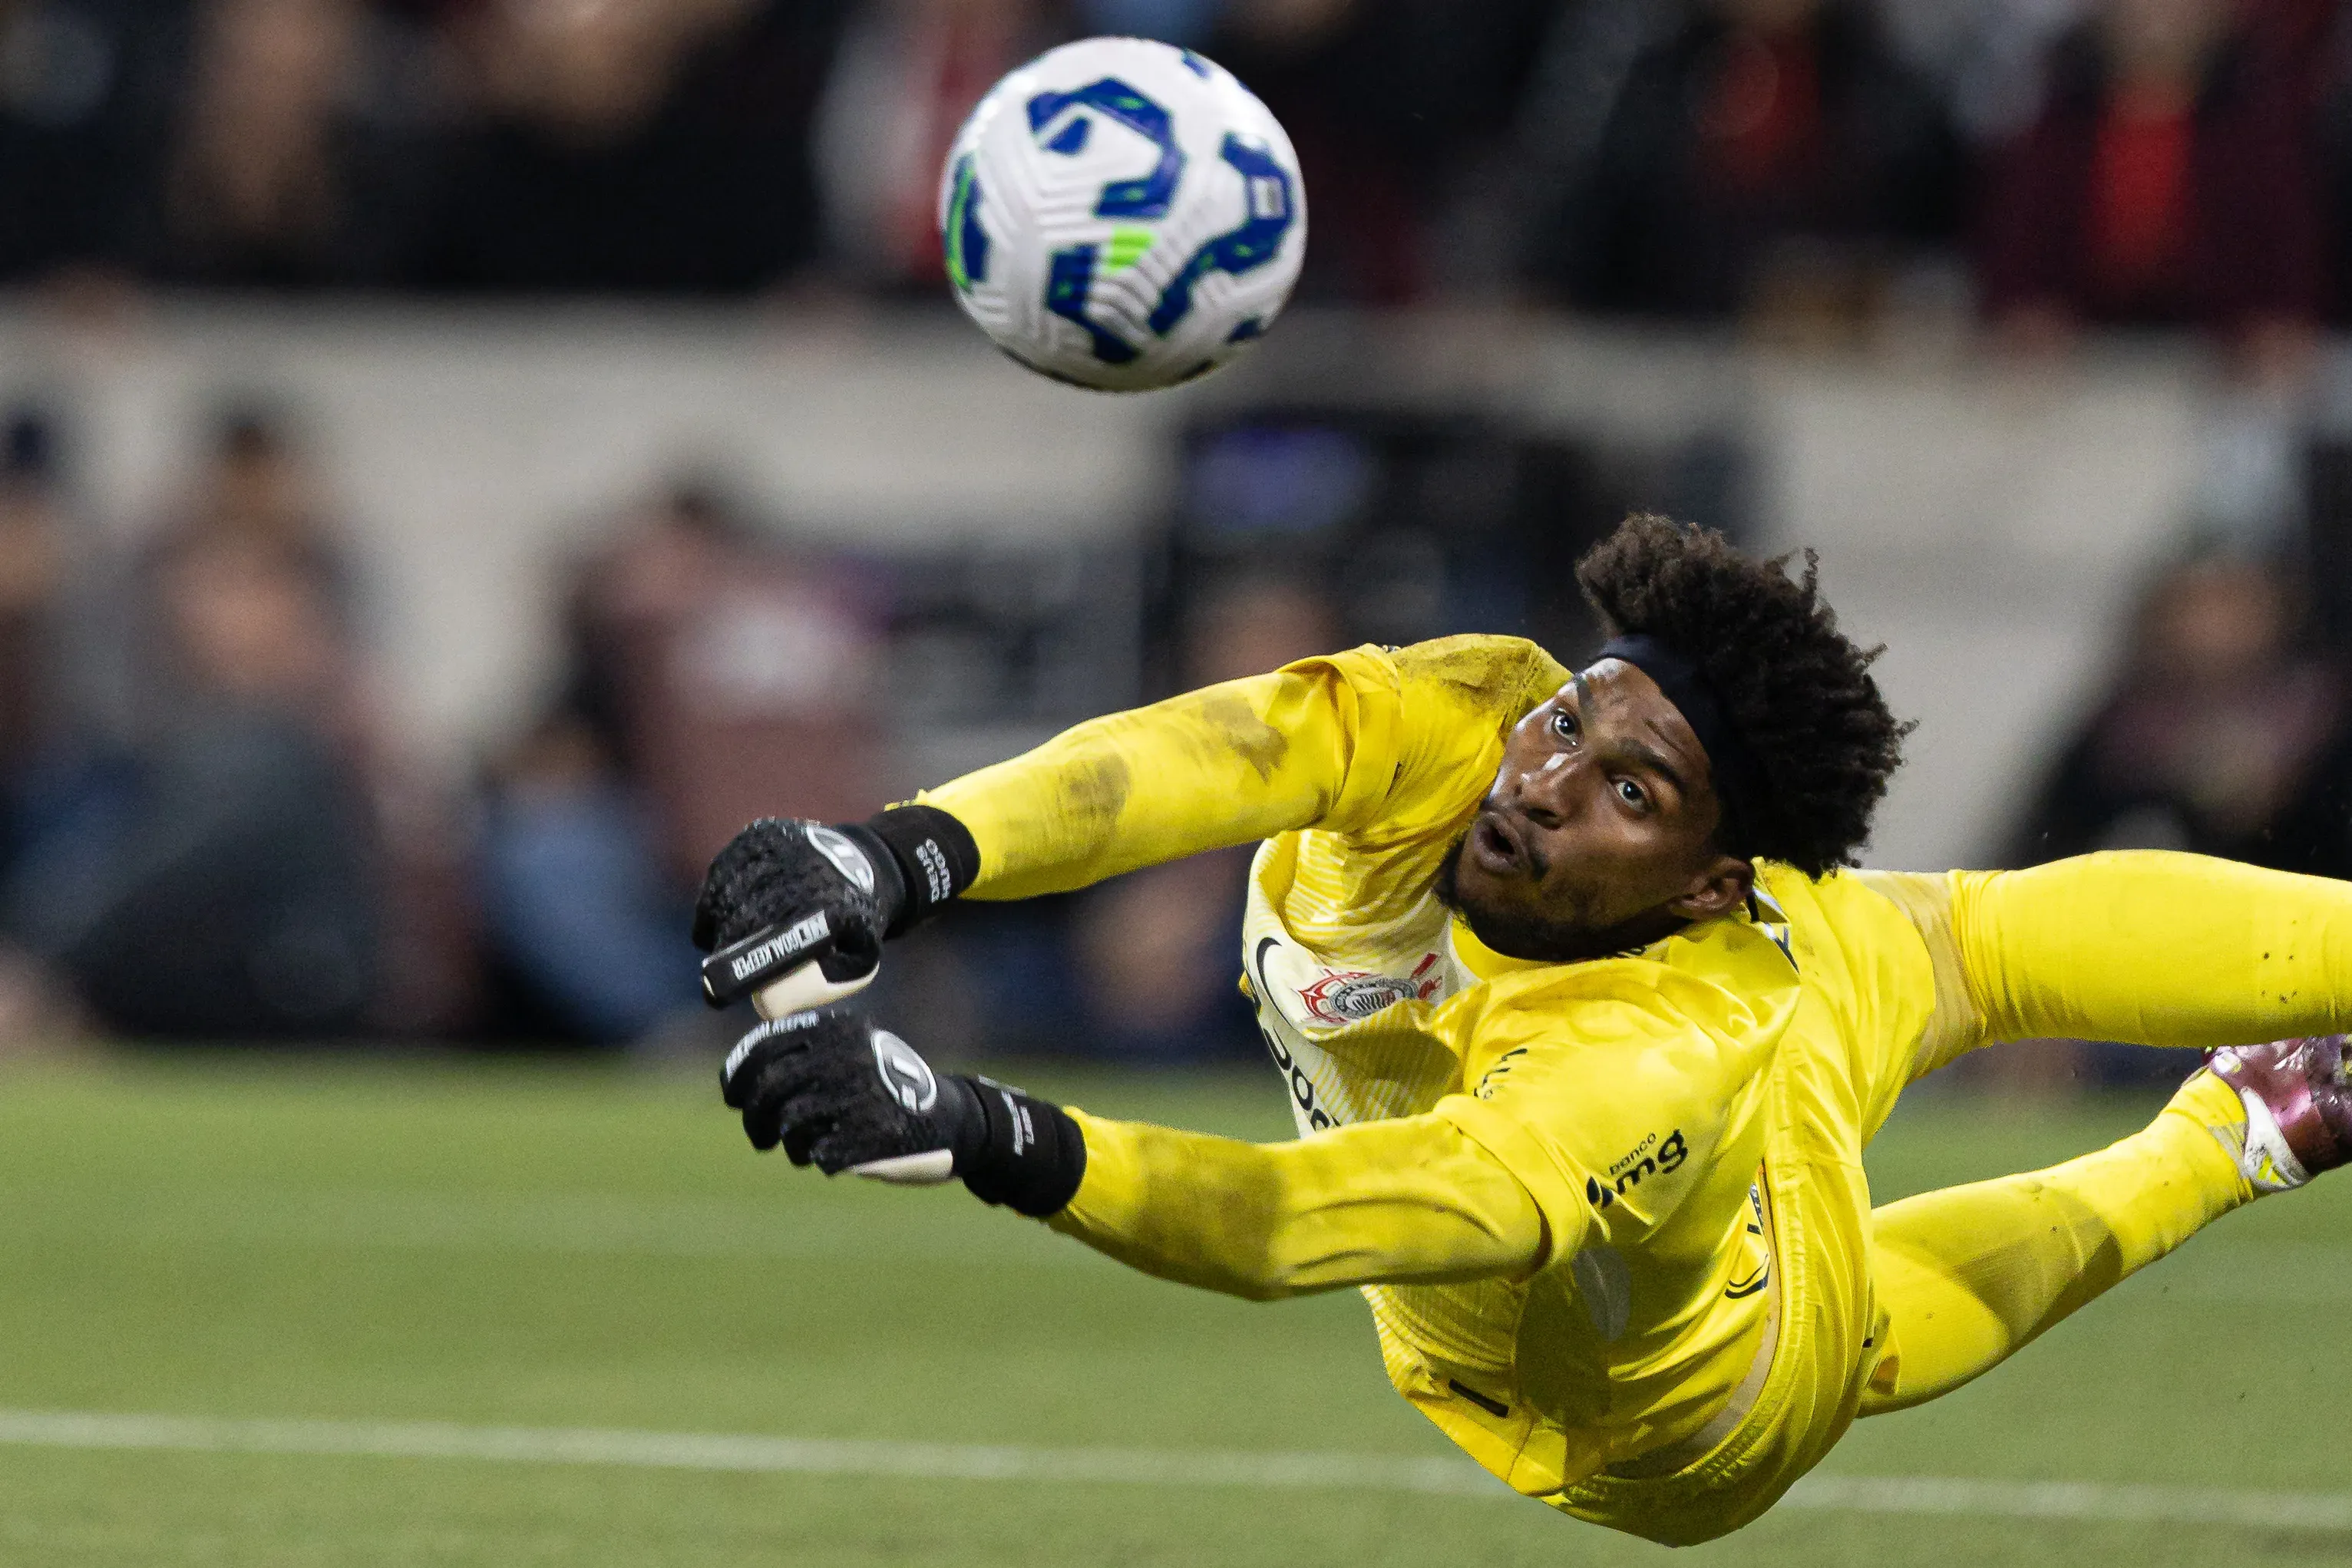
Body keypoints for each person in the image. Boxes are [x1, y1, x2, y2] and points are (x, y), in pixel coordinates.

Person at [689, 514, 2352, 1547]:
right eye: (1571, 724)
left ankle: (2222, 1141)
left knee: (1850, 1273)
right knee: (1958, 930)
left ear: (1711, 878)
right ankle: (2265, 1100)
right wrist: (896, 853)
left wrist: (992, 1131)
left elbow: (1306, 1224)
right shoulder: (1478, 719)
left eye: (1623, 789)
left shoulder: (1665, 1040)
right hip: (1640, 1080)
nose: (1541, 781)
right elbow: (1218, 749)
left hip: (1678, 1410)